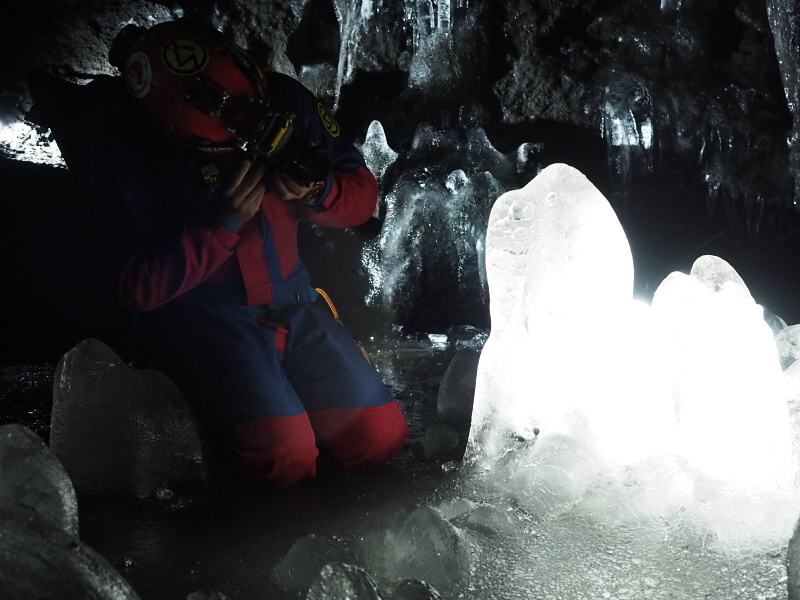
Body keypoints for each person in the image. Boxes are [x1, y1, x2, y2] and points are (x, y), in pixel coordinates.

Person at [85, 18, 409, 487]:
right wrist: (221, 223)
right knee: (285, 459)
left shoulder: (287, 100)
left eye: (253, 110)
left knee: (380, 438)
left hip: (296, 302)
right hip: (208, 317)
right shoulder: (127, 146)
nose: (252, 128)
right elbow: (136, 285)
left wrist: (317, 191)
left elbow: (362, 196)